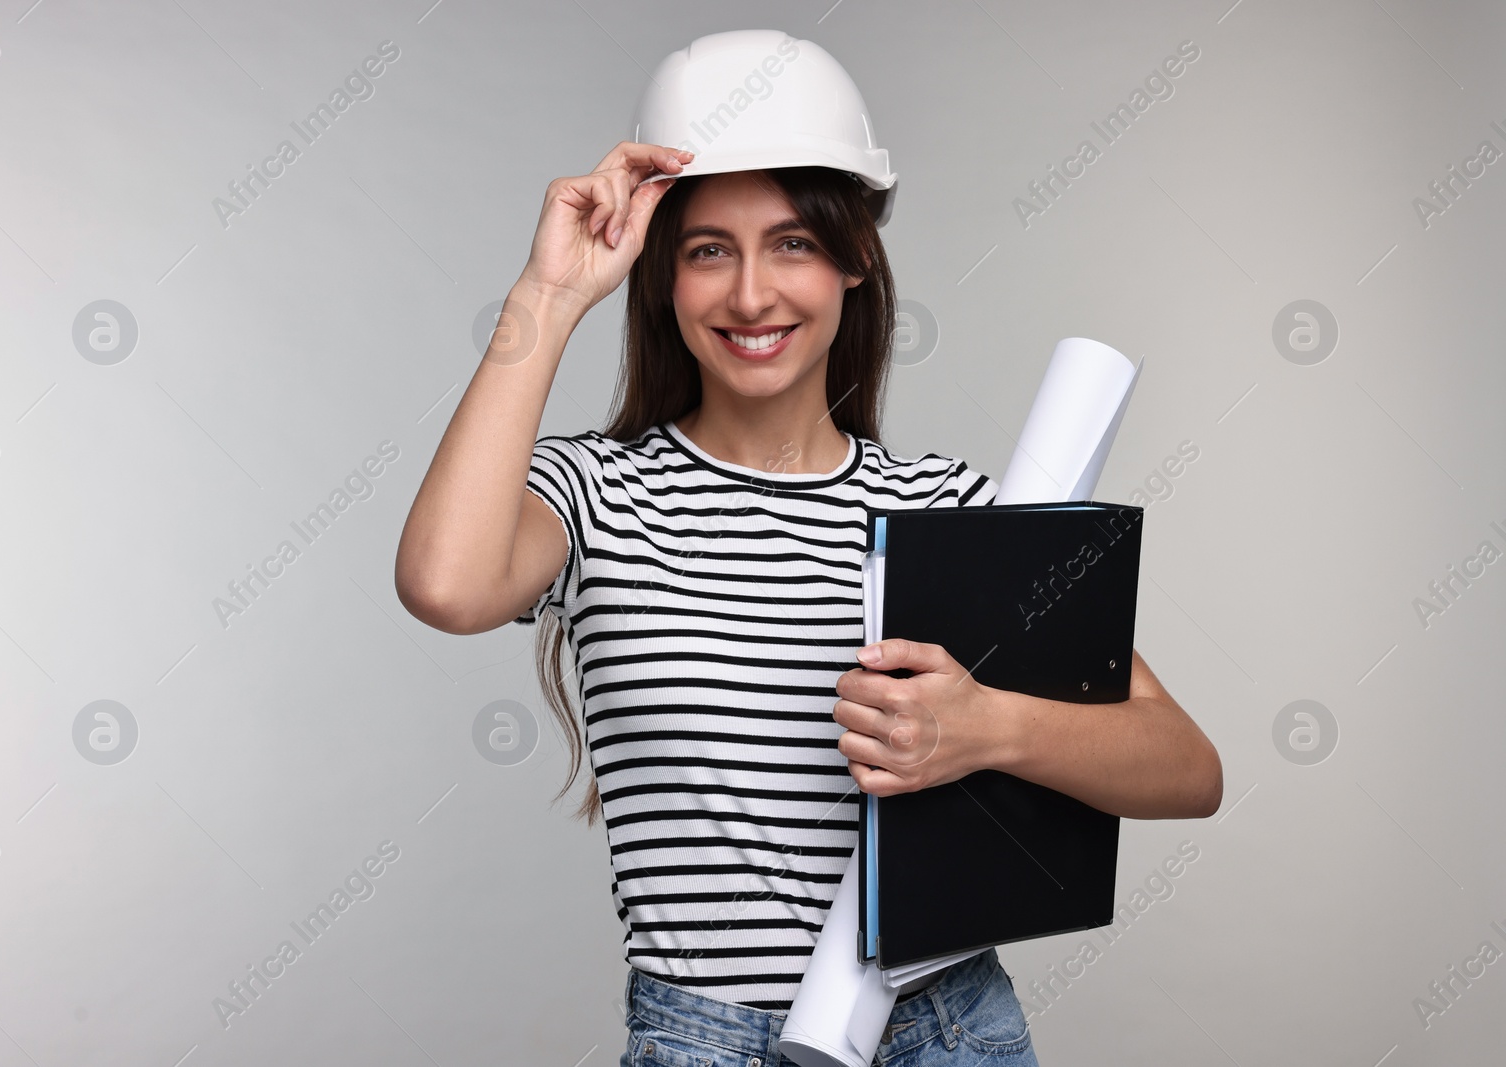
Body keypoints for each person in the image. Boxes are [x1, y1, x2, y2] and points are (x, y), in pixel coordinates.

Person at [394, 30, 1222, 1067]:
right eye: (708, 250)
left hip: (953, 1027)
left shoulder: (947, 511)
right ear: (661, 274)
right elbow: (444, 582)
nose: (750, 296)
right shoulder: (597, 494)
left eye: (790, 242)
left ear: (854, 260)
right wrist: (550, 294)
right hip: (707, 1039)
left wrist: (985, 728)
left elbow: (1185, 765)